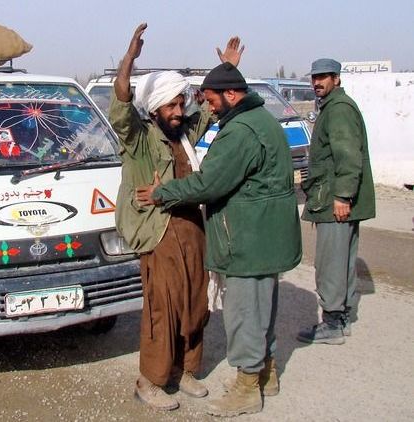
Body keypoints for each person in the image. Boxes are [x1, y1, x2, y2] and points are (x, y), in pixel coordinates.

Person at [136, 62, 302, 416]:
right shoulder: (262, 120)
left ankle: (246, 389)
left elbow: (209, 183)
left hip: (248, 239)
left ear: (230, 95)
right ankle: (265, 375)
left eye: (209, 100)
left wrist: (163, 193)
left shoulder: (241, 131)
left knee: (244, 313)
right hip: (265, 236)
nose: (205, 108)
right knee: (263, 310)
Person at [108, 22, 243, 411]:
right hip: (159, 233)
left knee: (194, 302)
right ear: (155, 109)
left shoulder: (184, 130)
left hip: (192, 230)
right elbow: (120, 107)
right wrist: (128, 61)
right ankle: (150, 381)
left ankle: (185, 370)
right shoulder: (140, 138)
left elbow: (211, 109)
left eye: (180, 104)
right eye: (171, 105)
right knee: (162, 308)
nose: (179, 111)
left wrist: (228, 72)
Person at [296, 59, 375, 345]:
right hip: (333, 197)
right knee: (341, 261)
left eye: (324, 78)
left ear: (336, 79)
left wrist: (342, 196)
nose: (317, 83)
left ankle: (332, 323)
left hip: (335, 200)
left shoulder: (339, 109)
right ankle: (341, 319)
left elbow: (348, 156)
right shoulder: (333, 107)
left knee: (331, 262)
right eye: (314, 78)